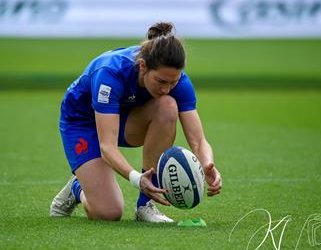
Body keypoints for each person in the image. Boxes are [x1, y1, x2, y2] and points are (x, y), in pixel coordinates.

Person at [50, 22, 222, 222]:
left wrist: (207, 163)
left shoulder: (178, 81)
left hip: (123, 118)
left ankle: (145, 206)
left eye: (173, 82)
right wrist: (136, 178)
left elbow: (198, 140)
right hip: (82, 123)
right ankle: (77, 187)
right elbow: (107, 146)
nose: (167, 88)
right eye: (161, 81)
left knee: (167, 105)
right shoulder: (110, 73)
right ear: (143, 66)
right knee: (108, 213)